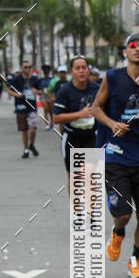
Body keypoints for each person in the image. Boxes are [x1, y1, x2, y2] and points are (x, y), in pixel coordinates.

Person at [92, 32, 139, 278]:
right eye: (133, 45)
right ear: (125, 51)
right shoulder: (112, 77)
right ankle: (118, 232)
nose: (138, 49)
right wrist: (112, 123)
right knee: (123, 214)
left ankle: (135, 260)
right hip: (117, 156)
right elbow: (95, 107)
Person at [52, 56, 99, 195]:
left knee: (91, 174)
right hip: (71, 137)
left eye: (84, 67)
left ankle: (90, 209)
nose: (81, 71)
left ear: (88, 70)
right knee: (75, 178)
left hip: (92, 135)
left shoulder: (96, 89)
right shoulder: (65, 91)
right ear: (71, 71)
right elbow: (56, 118)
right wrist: (80, 114)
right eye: (77, 68)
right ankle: (77, 207)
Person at [7, 60, 42, 158]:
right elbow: (9, 91)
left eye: (29, 67)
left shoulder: (34, 79)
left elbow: (41, 91)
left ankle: (32, 144)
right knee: (24, 129)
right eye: (25, 67)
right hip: (21, 106)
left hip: (32, 107)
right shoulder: (17, 79)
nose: (28, 69)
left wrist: (36, 91)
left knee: (33, 128)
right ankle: (26, 149)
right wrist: (16, 94)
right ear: (21, 68)